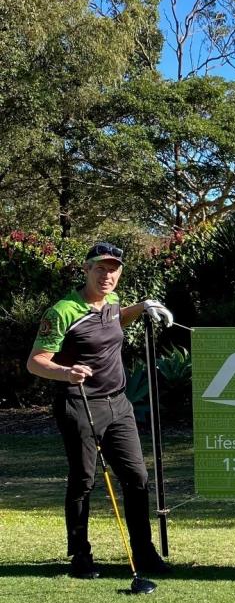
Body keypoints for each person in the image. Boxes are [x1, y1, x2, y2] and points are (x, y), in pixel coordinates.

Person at [26, 241, 174, 580]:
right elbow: (35, 362)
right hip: (79, 404)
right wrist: (65, 371)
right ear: (86, 270)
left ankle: (144, 553)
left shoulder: (112, 302)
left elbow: (115, 320)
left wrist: (142, 307)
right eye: (100, 268)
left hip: (119, 404)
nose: (107, 275)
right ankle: (80, 555)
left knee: (137, 477)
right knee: (83, 481)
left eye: (113, 269)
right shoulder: (62, 310)